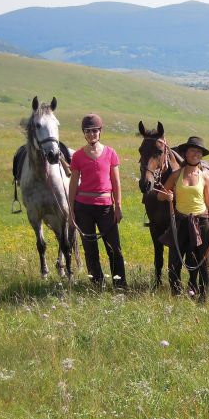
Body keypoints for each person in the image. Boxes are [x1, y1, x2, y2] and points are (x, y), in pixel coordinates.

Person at [69, 114, 127, 289]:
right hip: (83, 208)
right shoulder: (78, 156)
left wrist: (118, 206)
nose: (91, 134)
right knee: (90, 248)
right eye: (88, 131)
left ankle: (120, 285)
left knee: (114, 248)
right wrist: (71, 210)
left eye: (94, 130)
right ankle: (96, 284)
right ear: (84, 133)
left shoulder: (110, 153)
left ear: (100, 132)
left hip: (106, 208)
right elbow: (73, 184)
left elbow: (116, 182)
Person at [157, 136, 209, 299]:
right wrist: (167, 196)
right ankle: (176, 295)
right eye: (192, 150)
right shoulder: (176, 175)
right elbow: (160, 196)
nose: (195, 154)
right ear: (186, 153)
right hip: (181, 221)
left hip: (202, 222)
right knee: (174, 262)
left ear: (202, 155)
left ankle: (204, 298)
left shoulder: (205, 176)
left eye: (199, 151)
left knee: (204, 262)